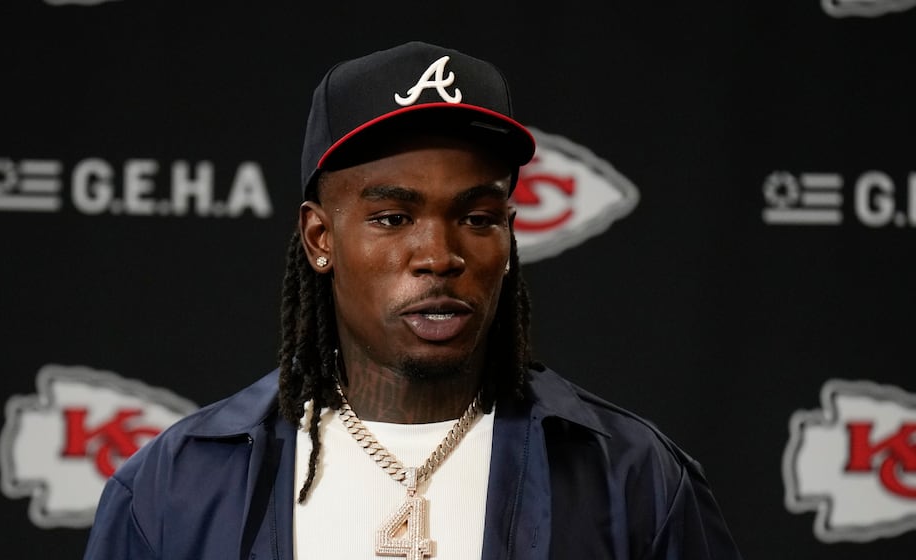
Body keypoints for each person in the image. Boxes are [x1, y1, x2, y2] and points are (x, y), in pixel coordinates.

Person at [82, 41, 742, 560]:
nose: (440, 255)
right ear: (320, 237)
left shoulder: (628, 478)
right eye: (394, 218)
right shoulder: (180, 486)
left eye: (479, 217)